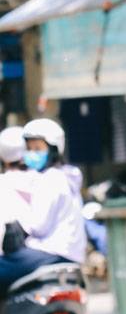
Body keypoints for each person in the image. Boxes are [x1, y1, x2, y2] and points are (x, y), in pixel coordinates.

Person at [0, 118, 87, 297]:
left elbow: (37, 227)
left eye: (38, 149)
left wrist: (18, 221)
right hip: (69, 255)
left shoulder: (51, 179)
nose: (32, 154)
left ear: (54, 150)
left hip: (52, 253)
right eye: (29, 149)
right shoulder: (66, 176)